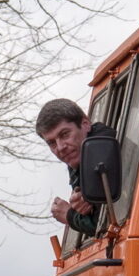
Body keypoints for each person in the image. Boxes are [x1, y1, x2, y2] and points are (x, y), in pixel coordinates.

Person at [36, 98, 116, 236]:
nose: (60, 147)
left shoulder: (104, 154)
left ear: (85, 124)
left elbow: (109, 227)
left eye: (64, 134)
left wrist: (70, 216)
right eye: (52, 143)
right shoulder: (78, 158)